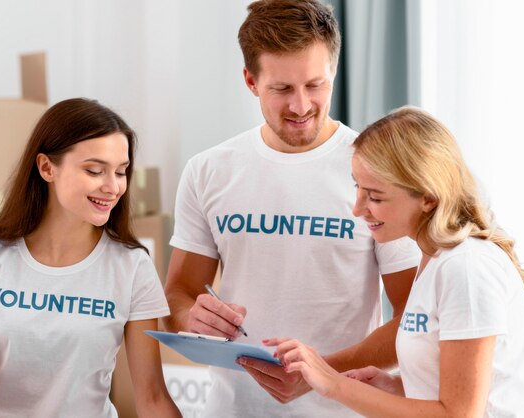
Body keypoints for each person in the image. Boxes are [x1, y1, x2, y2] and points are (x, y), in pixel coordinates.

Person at [163, 1, 421, 416]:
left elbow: (415, 320)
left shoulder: (377, 172)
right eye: (281, 89)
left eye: (315, 85)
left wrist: (320, 373)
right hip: (231, 409)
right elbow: (178, 293)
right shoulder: (208, 170)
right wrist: (190, 318)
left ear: (334, 73)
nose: (301, 106)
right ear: (250, 80)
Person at [268, 107, 524, 417]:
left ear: (428, 198)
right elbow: (454, 389)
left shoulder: (466, 268)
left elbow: (458, 415)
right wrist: (396, 387)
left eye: (375, 196)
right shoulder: (434, 261)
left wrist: (333, 384)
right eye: (358, 188)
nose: (358, 208)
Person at [0, 98, 181, 418]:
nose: (113, 187)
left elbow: (152, 396)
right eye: (95, 170)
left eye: (121, 172)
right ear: (47, 167)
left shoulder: (132, 267)